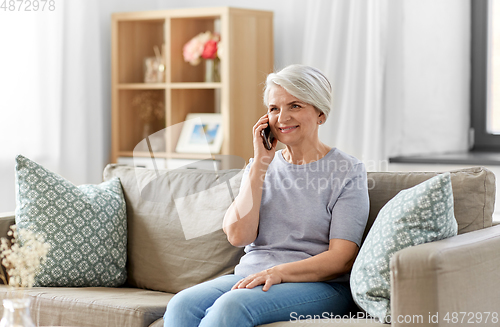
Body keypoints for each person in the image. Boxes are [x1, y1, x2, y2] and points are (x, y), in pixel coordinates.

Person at [163, 64, 370, 327]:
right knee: (181, 305)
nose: (282, 118)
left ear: (320, 113)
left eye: (295, 106)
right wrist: (260, 163)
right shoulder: (260, 166)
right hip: (254, 275)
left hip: (319, 284)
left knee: (231, 306)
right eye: (274, 108)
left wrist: (279, 272)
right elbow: (239, 236)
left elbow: (341, 258)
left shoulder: (347, 170)